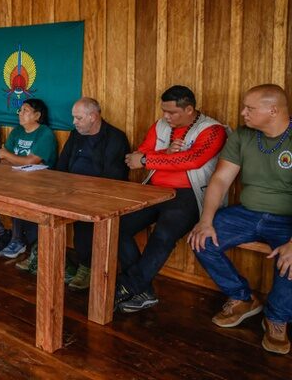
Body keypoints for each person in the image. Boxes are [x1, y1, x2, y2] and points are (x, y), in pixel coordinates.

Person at [188, 84, 292, 355]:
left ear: (273, 110)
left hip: (287, 220)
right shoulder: (243, 136)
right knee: (201, 240)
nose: (243, 112)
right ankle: (242, 297)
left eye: (250, 108)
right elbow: (221, 180)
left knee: (291, 259)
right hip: (246, 213)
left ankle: (277, 318)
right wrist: (206, 220)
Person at [116, 85, 227, 313]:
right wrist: (164, 155)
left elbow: (192, 160)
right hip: (154, 190)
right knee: (117, 226)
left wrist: (148, 161)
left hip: (190, 195)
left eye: (172, 112)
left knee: (164, 234)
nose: (166, 117)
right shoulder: (160, 126)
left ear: (189, 109)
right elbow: (137, 155)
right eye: (164, 111)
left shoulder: (213, 130)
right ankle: (143, 291)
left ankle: (128, 285)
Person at [15, 98, 130, 289]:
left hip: (98, 193)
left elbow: (113, 177)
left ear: (93, 117)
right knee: (33, 203)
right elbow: (62, 164)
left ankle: (87, 267)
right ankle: (41, 253)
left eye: (78, 118)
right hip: (69, 188)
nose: (74, 122)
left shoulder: (115, 138)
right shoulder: (76, 134)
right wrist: (56, 187)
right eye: (73, 118)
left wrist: (80, 191)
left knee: (84, 223)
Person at [0, 99, 57, 258]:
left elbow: (32, 160)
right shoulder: (17, 131)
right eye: (20, 110)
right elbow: (3, 159)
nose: (20, 113)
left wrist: (8, 156)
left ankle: (18, 240)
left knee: (18, 194)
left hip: (41, 181)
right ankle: (0, 232)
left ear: (37, 115)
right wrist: (9, 157)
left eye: (25, 110)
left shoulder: (44, 133)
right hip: (15, 176)